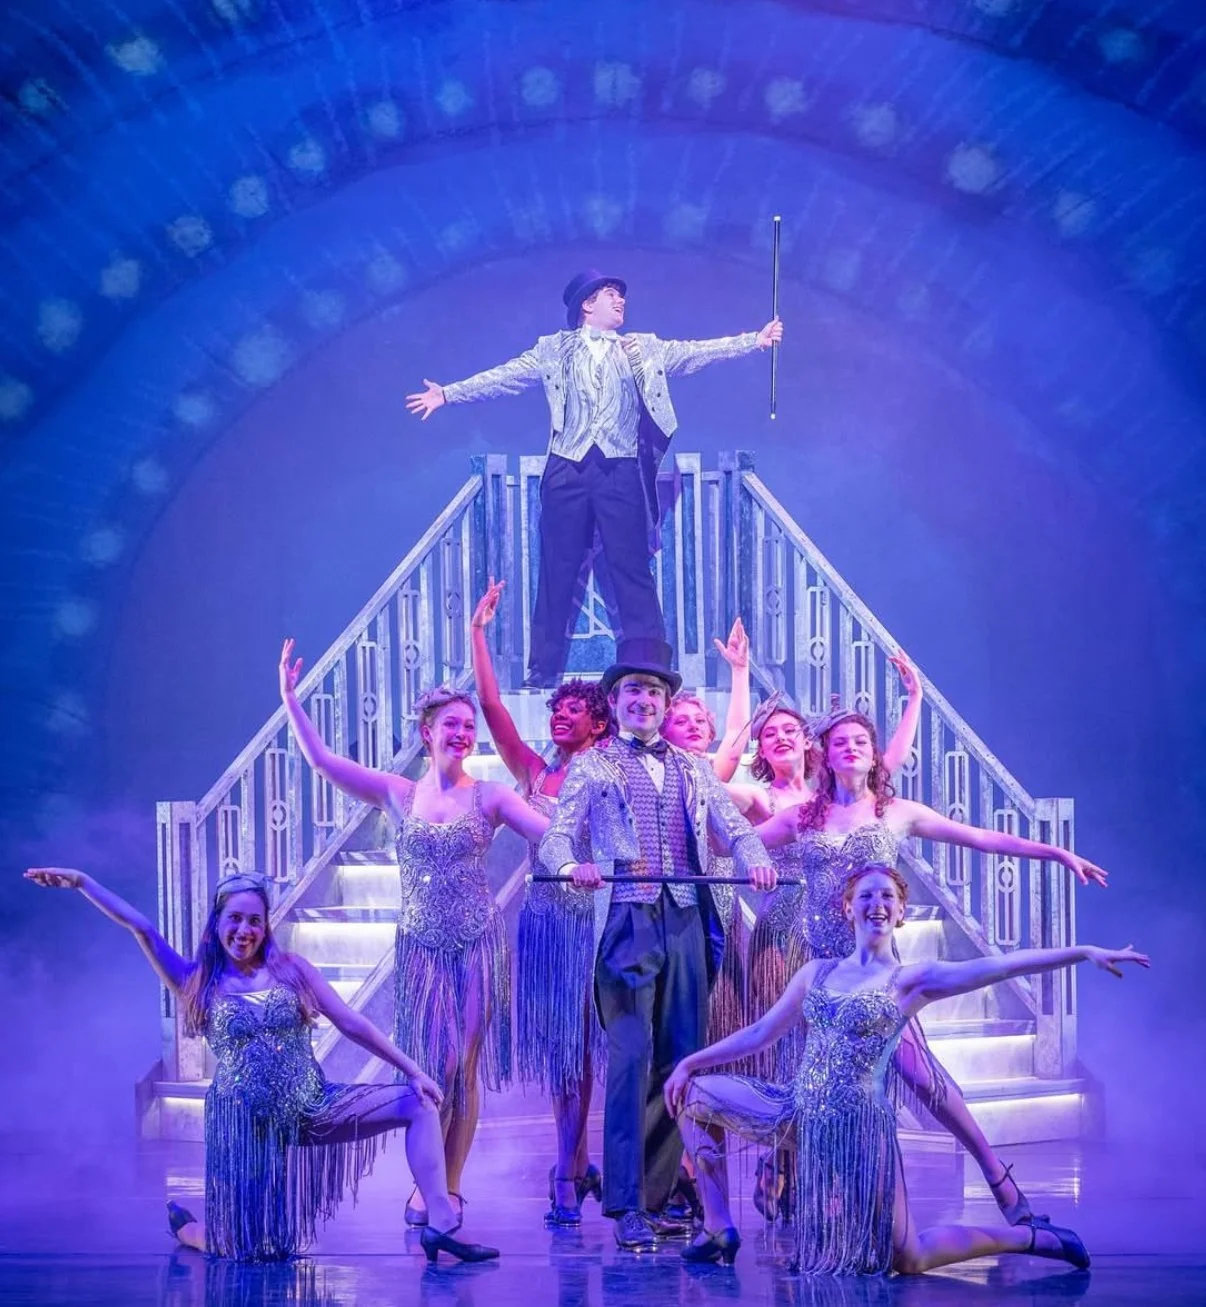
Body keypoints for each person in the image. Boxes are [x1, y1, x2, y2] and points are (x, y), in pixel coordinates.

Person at [664, 862, 1148, 1272]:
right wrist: (689, 1062)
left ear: (900, 912)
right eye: (867, 895)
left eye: (888, 897)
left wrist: (1083, 952)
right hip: (797, 1112)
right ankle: (718, 1224)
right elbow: (760, 1033)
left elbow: (1006, 965)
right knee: (693, 1097)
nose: (877, 903)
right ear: (847, 907)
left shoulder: (910, 980)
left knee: (907, 1257)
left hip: (859, 1130)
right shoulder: (817, 972)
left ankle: (1031, 1239)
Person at [24, 867, 499, 1265]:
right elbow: (143, 929)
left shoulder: (292, 970)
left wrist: (414, 1070)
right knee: (252, 1249)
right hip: (246, 1128)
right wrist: (84, 882)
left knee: (417, 1103)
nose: (244, 930)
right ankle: (194, 1231)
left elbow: (352, 1023)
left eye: (254, 921)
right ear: (217, 923)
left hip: (313, 1106)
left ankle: (441, 1221)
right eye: (234, 919)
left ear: (265, 926)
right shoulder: (197, 981)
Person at [754, 704, 1111, 1229]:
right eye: (839, 742)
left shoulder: (894, 812)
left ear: (874, 754)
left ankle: (997, 1176)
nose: (850, 747)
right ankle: (787, 1180)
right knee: (810, 1079)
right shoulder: (803, 817)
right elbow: (732, 847)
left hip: (876, 969)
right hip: (817, 969)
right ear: (824, 756)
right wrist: (752, 863)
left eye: (860, 741)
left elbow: (982, 838)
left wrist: (1055, 853)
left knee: (922, 1076)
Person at [279, 639, 547, 1227]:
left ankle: (447, 1187)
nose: (462, 733)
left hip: (477, 944)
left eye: (468, 725)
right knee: (430, 1063)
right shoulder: (398, 794)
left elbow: (543, 833)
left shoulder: (492, 795)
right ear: (427, 732)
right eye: (451, 723)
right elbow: (323, 762)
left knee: (463, 1066)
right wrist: (290, 700)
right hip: (422, 949)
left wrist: (574, 844)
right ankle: (427, 1184)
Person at [406, 271, 784, 686]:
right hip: (567, 468)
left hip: (619, 469)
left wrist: (754, 340)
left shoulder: (643, 349)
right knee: (557, 569)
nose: (621, 301)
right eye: (611, 294)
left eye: (621, 295)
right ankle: (543, 669)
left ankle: (648, 662)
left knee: (631, 567)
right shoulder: (553, 349)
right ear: (587, 304)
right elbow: (505, 376)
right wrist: (449, 393)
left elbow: (695, 353)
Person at [538, 638, 778, 1252]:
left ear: (668, 703)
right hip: (626, 920)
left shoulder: (694, 768)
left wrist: (754, 860)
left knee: (681, 1062)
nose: (644, 700)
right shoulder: (594, 765)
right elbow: (556, 839)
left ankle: (658, 1195)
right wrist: (573, 870)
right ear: (615, 702)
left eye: (654, 691)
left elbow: (734, 826)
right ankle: (623, 1206)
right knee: (628, 1059)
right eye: (633, 691)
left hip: (687, 920)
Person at [469, 578, 610, 1227]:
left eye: (573, 710)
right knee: (564, 1050)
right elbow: (494, 708)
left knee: (600, 1047)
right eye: (556, 709)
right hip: (548, 924)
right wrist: (479, 635)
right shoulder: (535, 772)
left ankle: (581, 1169)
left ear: (598, 721)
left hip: (603, 923)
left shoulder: (613, 771)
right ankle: (569, 1167)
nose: (559, 715)